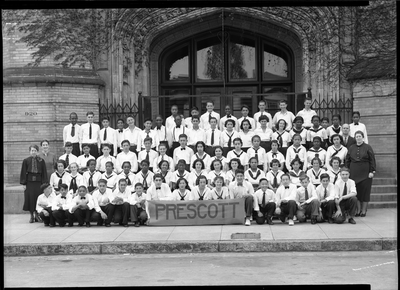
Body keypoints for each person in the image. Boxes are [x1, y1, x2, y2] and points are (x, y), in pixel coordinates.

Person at [345, 130, 376, 217]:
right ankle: (358, 210)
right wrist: (347, 171)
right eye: (357, 136)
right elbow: (347, 160)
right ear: (355, 138)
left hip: (365, 172)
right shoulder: (351, 147)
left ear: (363, 137)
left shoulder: (368, 147)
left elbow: (372, 159)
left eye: (360, 136)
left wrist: (371, 171)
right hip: (354, 172)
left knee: (365, 191)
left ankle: (363, 210)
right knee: (356, 191)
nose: (358, 138)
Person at [20, 144, 48, 223]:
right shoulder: (26, 160)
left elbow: (44, 173)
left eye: (35, 150)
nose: (33, 152)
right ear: (29, 152)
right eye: (32, 150)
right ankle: (31, 215)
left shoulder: (41, 160)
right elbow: (23, 172)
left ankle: (37, 215)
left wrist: (44, 183)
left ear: (37, 151)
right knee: (30, 198)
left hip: (38, 183)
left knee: (37, 198)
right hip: (29, 183)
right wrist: (24, 183)